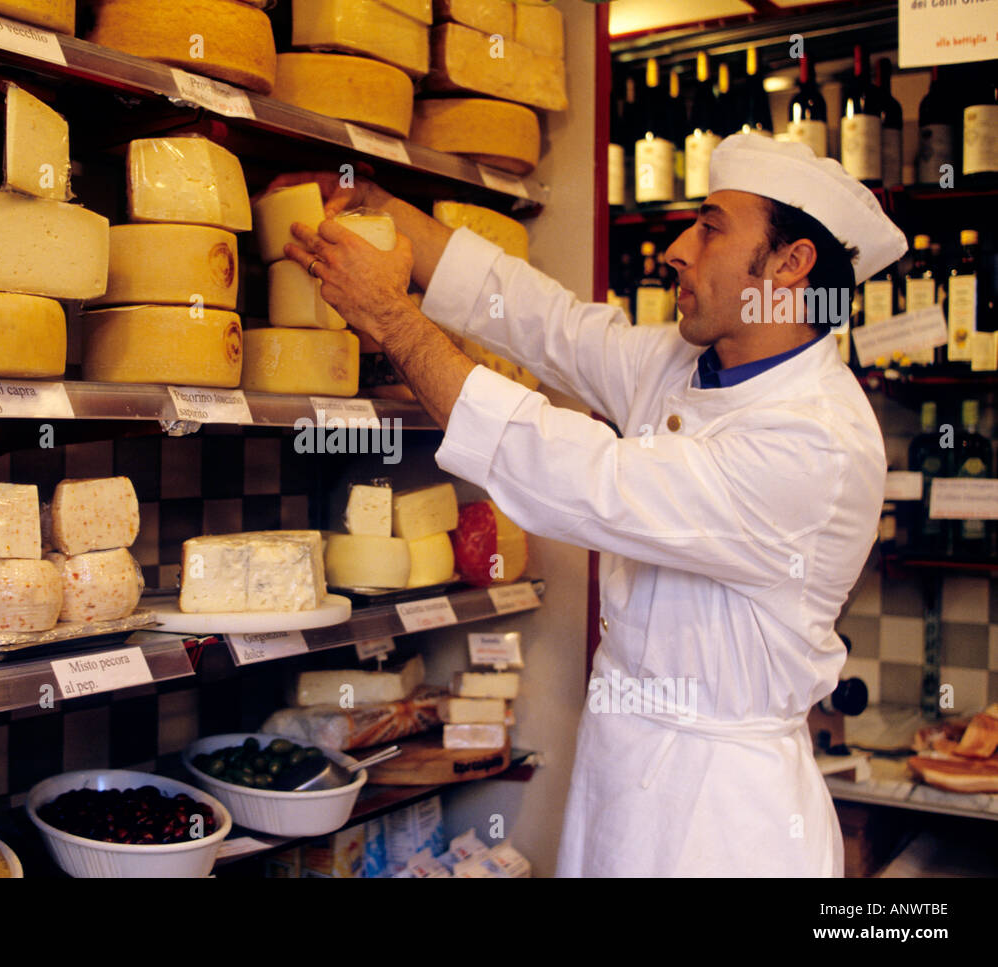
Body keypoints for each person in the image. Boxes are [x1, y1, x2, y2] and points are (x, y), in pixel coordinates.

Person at [272, 132, 908, 876]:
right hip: (618, 777)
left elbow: (578, 474)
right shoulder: (682, 364)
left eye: (708, 226)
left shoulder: (816, 441)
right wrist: (381, 206)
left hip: (726, 816)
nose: (676, 248)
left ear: (791, 265)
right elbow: (541, 319)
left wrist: (395, 320)